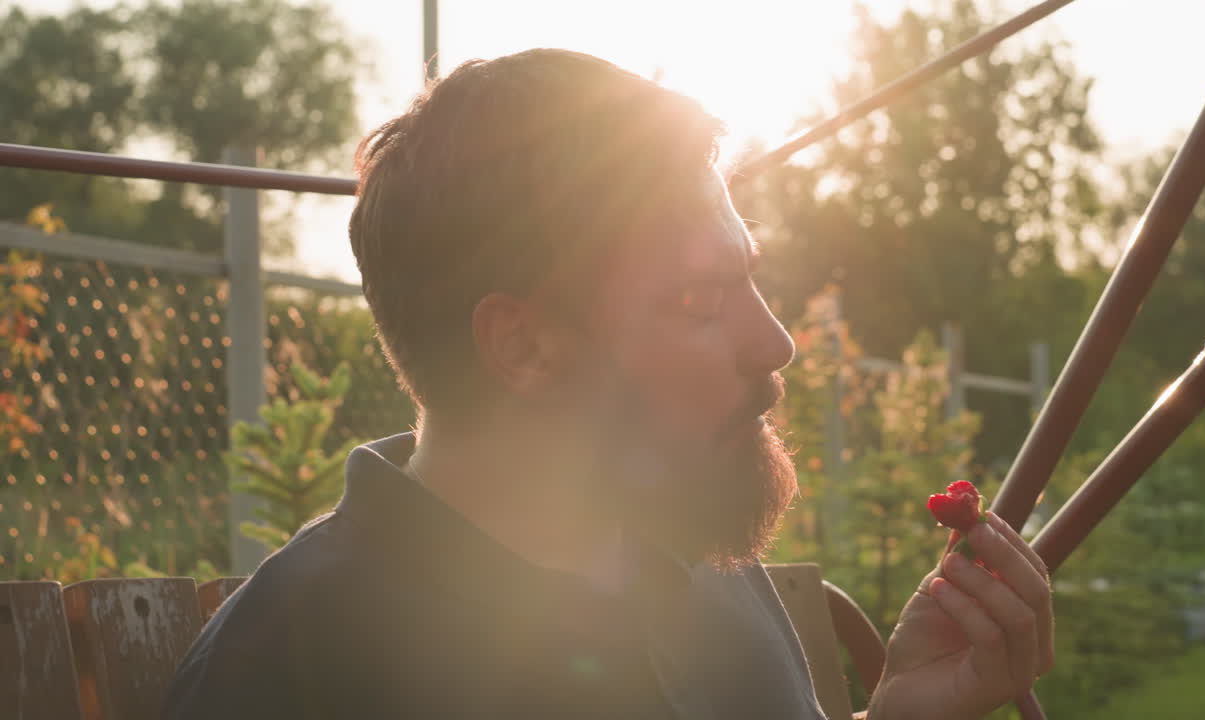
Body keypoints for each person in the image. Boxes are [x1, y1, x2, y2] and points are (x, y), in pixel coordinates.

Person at [164, 49, 1053, 720]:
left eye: (750, 280)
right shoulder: (295, 670)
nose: (775, 343)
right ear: (525, 349)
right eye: (700, 299)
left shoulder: (701, 568)